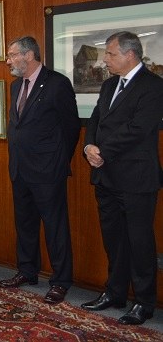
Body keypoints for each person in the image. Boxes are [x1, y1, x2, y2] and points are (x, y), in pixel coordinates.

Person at [81, 31, 163, 325]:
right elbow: (95, 120)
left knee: (140, 242)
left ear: (130, 55)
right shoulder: (109, 85)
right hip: (106, 176)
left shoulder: (153, 86)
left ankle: (144, 303)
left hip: (136, 179)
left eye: (110, 54)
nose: (105, 59)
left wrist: (103, 150)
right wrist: (89, 146)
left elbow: (138, 129)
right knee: (114, 240)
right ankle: (114, 293)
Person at [0, 36, 80, 305]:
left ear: (29, 55)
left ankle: (61, 280)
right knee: (25, 224)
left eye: (12, 55)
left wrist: (58, 161)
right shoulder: (14, 86)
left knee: (55, 227)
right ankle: (27, 271)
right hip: (20, 169)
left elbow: (70, 128)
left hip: (48, 171)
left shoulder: (57, 83)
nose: (8, 60)